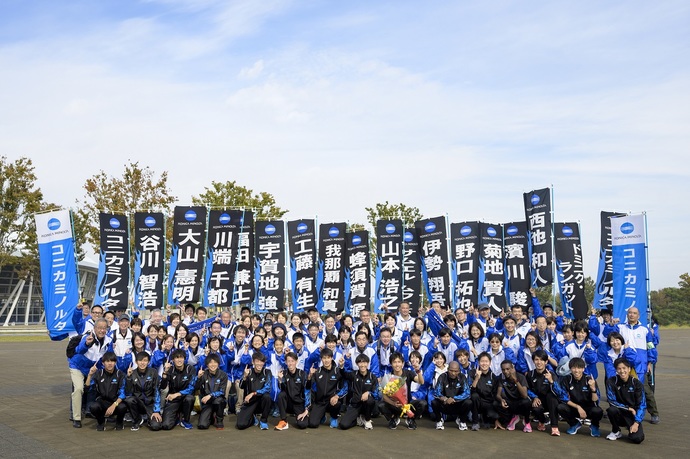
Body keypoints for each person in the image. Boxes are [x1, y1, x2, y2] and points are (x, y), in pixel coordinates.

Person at [606, 307, 659, 424]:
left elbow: (651, 346)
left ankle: (653, 413)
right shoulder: (620, 327)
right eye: (630, 313)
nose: (632, 315)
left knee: (645, 389)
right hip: (623, 365)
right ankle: (624, 412)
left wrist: (650, 362)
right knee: (623, 389)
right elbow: (608, 335)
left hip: (640, 365)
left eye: (634, 313)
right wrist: (610, 324)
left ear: (638, 316)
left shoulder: (644, 330)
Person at [68, 318, 113, 428]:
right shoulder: (88, 337)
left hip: (92, 368)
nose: (102, 330)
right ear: (94, 328)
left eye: (104, 328)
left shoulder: (108, 340)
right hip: (77, 366)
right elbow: (79, 350)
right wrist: (87, 344)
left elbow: (108, 356)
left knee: (92, 388)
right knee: (79, 388)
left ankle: (89, 410)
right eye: (99, 328)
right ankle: (76, 417)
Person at [554, 357, 603, 437]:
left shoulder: (589, 380)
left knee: (598, 411)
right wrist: (578, 407)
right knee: (560, 407)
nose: (576, 370)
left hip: (588, 408)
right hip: (574, 407)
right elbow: (563, 398)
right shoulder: (566, 379)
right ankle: (574, 424)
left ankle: (594, 425)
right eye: (574, 368)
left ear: (583, 369)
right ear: (570, 369)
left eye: (579, 368)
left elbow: (596, 401)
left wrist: (593, 389)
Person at [379, 352, 425, 430]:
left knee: (422, 403)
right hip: (395, 406)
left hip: (408, 405)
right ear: (391, 364)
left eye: (399, 362)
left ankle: (411, 419)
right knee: (381, 405)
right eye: (394, 362)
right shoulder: (387, 377)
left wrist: (418, 371)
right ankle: (393, 418)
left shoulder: (408, 373)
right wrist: (393, 403)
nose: (397, 365)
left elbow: (421, 382)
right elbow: (384, 396)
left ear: (403, 363)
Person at [605, 358, 646, 443]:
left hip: (632, 414)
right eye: (619, 368)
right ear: (616, 370)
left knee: (637, 439)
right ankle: (616, 431)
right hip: (619, 412)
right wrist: (627, 408)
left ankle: (631, 427)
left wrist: (636, 422)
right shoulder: (611, 382)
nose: (622, 371)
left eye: (624, 368)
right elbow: (611, 400)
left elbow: (642, 404)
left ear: (629, 369)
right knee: (611, 410)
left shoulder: (637, 384)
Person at [85, 351, 127, 431]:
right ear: (103, 363)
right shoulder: (98, 374)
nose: (110, 363)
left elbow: (123, 393)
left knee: (123, 407)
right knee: (93, 407)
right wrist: (90, 375)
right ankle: (101, 422)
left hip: (116, 402)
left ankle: (119, 422)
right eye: (107, 361)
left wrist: (113, 405)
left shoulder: (120, 374)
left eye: (112, 361)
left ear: (115, 362)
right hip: (102, 401)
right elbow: (88, 388)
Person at [339, 354, 381, 430]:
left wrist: (368, 393)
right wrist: (341, 366)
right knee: (343, 425)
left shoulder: (373, 377)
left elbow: (377, 394)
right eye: (360, 363)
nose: (362, 365)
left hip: (367, 405)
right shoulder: (353, 374)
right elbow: (344, 374)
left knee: (370, 400)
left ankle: (367, 420)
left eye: (364, 362)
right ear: (357, 364)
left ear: (368, 363)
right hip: (355, 404)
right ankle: (357, 419)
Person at [308, 348, 347, 429]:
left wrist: (337, 396)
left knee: (337, 404)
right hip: (320, 402)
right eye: (324, 358)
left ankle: (334, 417)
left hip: (331, 401)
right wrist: (310, 377)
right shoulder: (317, 372)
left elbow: (345, 386)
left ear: (332, 358)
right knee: (312, 424)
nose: (326, 360)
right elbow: (310, 388)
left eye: (328, 358)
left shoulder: (337, 371)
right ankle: (322, 416)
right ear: (321, 359)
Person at [160, 349, 197, 430]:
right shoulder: (170, 369)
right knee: (166, 426)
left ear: (184, 358)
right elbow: (163, 386)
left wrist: (177, 394)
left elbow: (191, 388)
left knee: (190, 398)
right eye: (176, 358)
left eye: (181, 357)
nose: (179, 360)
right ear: (173, 360)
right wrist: (165, 373)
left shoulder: (190, 369)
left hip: (185, 397)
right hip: (173, 400)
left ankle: (185, 420)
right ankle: (176, 415)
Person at [124, 351, 162, 431]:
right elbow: (127, 391)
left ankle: (149, 419)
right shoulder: (132, 373)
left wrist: (156, 410)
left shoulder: (153, 372)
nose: (142, 363)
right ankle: (137, 419)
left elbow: (157, 391)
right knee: (129, 399)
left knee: (156, 426)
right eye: (140, 360)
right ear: (136, 362)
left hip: (150, 404)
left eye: (145, 360)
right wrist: (128, 377)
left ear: (148, 362)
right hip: (138, 403)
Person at [525, 350, 560, 435]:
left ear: (546, 362)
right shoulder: (530, 374)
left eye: (542, 360)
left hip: (550, 402)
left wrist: (551, 381)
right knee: (536, 407)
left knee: (552, 397)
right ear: (533, 361)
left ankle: (554, 427)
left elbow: (559, 392)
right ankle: (542, 421)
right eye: (536, 360)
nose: (539, 362)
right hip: (538, 400)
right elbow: (527, 389)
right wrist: (534, 397)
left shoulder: (551, 374)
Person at [236, 352, 272, 430]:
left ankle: (263, 420)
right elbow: (241, 386)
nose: (259, 363)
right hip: (250, 402)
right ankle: (252, 418)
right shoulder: (248, 372)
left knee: (267, 397)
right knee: (240, 425)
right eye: (257, 361)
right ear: (253, 362)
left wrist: (254, 393)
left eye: (261, 361)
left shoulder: (267, 372)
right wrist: (245, 377)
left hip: (261, 401)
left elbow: (268, 388)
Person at [431, 361, 472, 430]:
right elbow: (437, 392)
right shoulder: (442, 377)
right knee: (434, 402)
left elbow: (467, 393)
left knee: (469, 402)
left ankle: (462, 421)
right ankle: (439, 421)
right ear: (447, 369)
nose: (453, 373)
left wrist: (454, 399)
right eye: (451, 371)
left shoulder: (462, 377)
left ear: (459, 371)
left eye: (456, 371)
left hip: (457, 404)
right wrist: (445, 399)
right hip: (445, 404)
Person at [275, 352, 310, 430]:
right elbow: (282, 389)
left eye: (292, 361)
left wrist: (306, 409)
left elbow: (307, 392)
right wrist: (280, 380)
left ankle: (307, 416)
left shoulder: (302, 374)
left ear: (296, 361)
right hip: (288, 404)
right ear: (286, 362)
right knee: (281, 395)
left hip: (299, 404)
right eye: (288, 361)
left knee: (303, 425)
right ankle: (283, 420)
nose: (290, 363)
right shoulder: (283, 373)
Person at [494, 360, 531, 431]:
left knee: (527, 402)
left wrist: (515, 380)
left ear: (512, 368)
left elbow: (524, 395)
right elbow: (498, 395)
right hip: (510, 402)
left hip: (520, 402)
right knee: (496, 403)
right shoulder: (502, 378)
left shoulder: (521, 377)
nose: (505, 371)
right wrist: (501, 400)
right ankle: (513, 417)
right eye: (503, 369)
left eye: (508, 369)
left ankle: (527, 422)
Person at [196, 354, 228, 430]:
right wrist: (198, 378)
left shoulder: (223, 375)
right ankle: (211, 417)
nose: (213, 365)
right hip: (207, 402)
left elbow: (222, 391)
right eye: (210, 362)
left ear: (218, 364)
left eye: (215, 362)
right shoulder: (204, 374)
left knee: (219, 401)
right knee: (202, 425)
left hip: (218, 400)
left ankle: (219, 420)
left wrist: (211, 395)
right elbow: (196, 388)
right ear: (207, 364)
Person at [469, 352, 499, 431]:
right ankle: (475, 422)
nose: (484, 363)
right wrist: (477, 378)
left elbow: (495, 394)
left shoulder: (493, 376)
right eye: (482, 361)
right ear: (478, 362)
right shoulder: (472, 373)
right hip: (477, 402)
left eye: (486, 361)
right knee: (474, 396)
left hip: (488, 403)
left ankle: (485, 417)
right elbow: (471, 391)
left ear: (490, 363)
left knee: (493, 417)